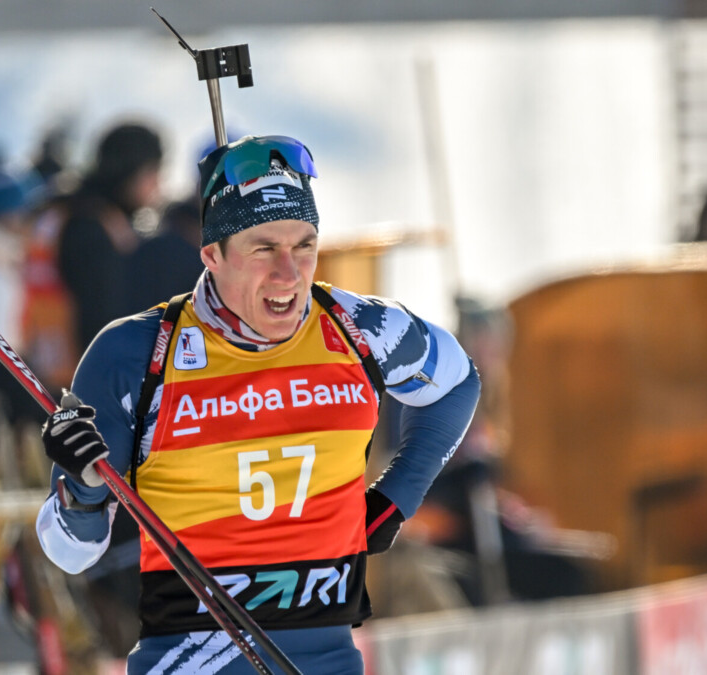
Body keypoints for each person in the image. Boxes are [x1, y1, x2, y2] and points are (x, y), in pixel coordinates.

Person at [34, 135, 481, 673]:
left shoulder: (358, 328)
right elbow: (69, 552)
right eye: (263, 248)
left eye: (305, 246)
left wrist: (396, 497)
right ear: (212, 255)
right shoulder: (138, 353)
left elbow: (457, 383)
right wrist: (81, 490)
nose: (289, 275)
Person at [57, 123, 164, 353]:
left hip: (48, 367)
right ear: (128, 172)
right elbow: (100, 316)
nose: (157, 183)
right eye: (152, 171)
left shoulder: (75, 210)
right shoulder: (93, 228)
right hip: (84, 373)